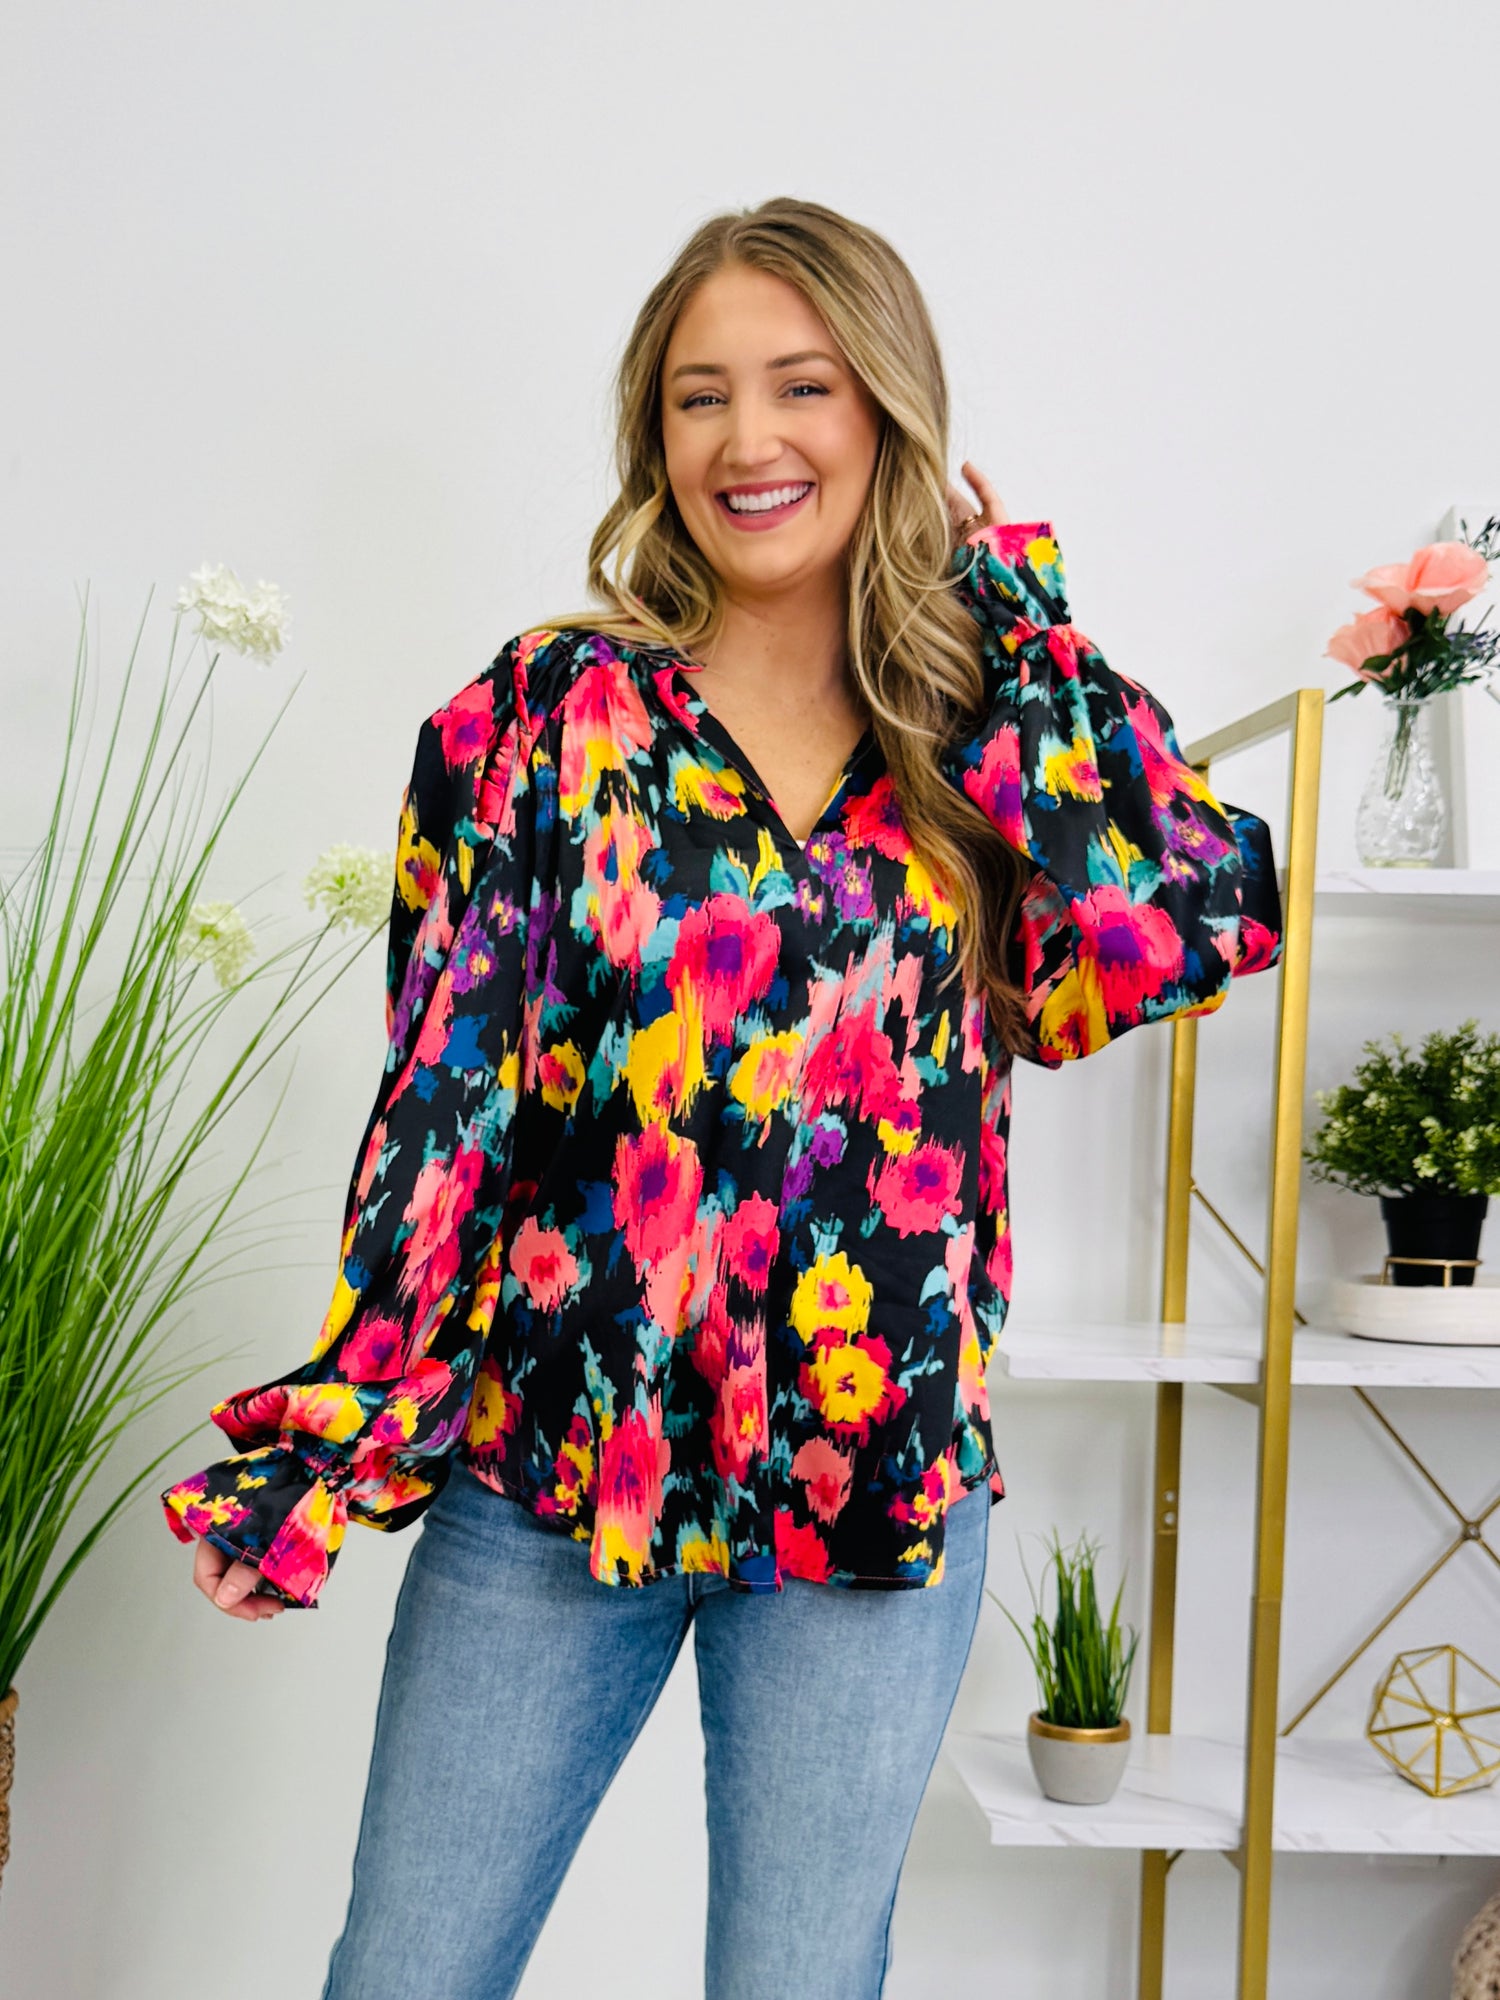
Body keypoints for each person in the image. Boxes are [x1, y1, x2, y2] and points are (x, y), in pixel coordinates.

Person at [159, 197, 1282, 1999]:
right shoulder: (537, 720)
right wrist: (337, 1434)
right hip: (552, 1468)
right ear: (654, 433)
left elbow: (1185, 924)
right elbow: (446, 1114)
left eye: (802, 385)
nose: (749, 439)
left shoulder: (981, 742)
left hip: (872, 1487)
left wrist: (1023, 637)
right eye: (700, 396)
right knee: (407, 1969)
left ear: (889, 411)